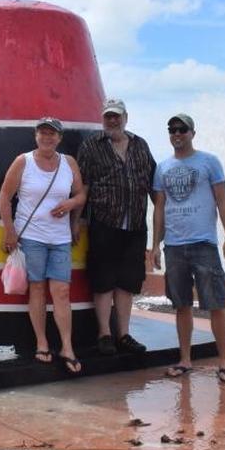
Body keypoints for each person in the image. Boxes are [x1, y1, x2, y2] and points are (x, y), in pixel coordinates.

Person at [151, 113, 225, 382]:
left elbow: (222, 200)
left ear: (192, 133)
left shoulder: (209, 162)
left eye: (182, 129)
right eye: (172, 130)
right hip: (174, 246)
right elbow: (160, 209)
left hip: (204, 244)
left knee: (216, 304)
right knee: (182, 305)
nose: (177, 134)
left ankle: (224, 362)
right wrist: (155, 245)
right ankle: (185, 360)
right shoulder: (163, 167)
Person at [0, 117, 87, 374]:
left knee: (61, 291)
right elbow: (5, 196)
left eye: (52, 134)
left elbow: (81, 194)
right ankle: (42, 342)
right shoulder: (23, 162)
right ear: (36, 136)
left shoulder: (68, 163)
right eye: (43, 133)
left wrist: (70, 205)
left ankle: (67, 346)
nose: (47, 138)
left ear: (60, 138)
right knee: (36, 288)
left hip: (60, 239)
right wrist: (10, 232)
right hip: (32, 237)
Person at [75, 98, 157, 356]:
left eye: (117, 116)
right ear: (102, 118)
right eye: (108, 116)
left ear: (126, 118)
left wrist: (164, 227)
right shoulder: (91, 146)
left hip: (135, 225)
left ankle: (123, 334)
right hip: (103, 223)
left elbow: (154, 187)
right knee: (103, 282)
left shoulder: (141, 145)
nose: (112, 120)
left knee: (128, 283)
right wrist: (76, 221)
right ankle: (104, 334)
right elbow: (83, 187)